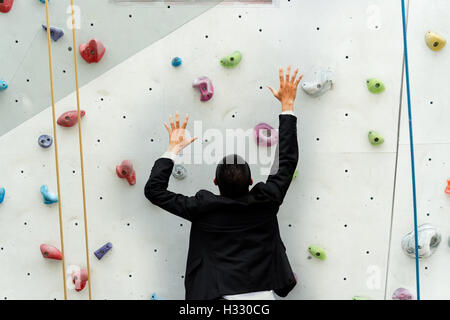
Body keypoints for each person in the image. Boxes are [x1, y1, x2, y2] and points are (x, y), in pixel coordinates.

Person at [145, 66, 301, 300]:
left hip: (217, 295)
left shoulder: (202, 208)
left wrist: (173, 149)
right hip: (264, 294)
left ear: (215, 182)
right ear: (250, 181)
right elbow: (286, 161)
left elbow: (154, 191)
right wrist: (287, 107)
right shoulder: (267, 201)